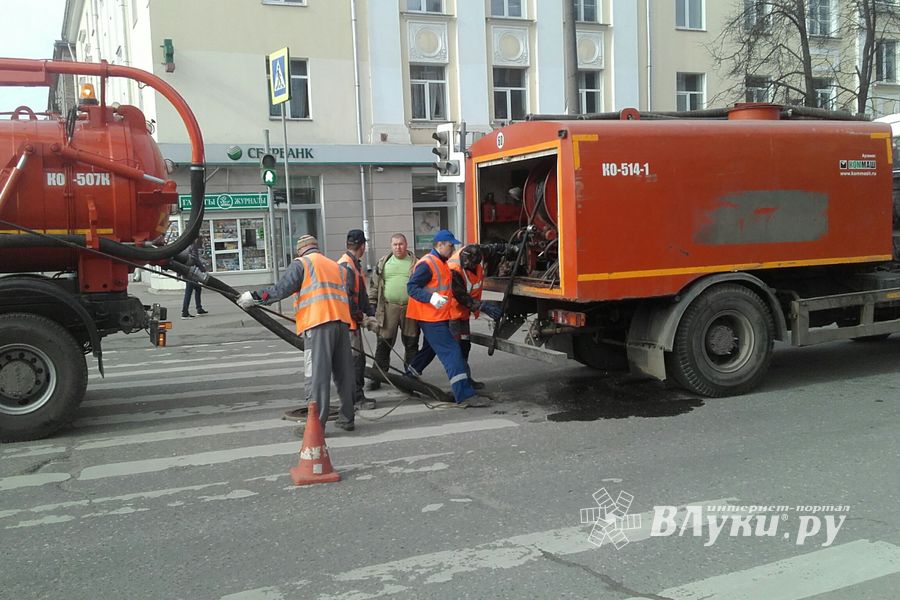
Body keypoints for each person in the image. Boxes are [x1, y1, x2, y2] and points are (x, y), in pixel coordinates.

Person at [236, 235, 356, 432]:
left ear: (300, 250)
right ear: (316, 248)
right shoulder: (337, 267)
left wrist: (254, 297)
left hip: (318, 325)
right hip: (342, 324)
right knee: (344, 374)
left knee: (317, 377)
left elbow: (280, 289)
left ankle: (315, 427)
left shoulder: (302, 264)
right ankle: (347, 418)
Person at [413, 244, 505, 389]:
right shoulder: (454, 269)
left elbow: (491, 249)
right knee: (453, 349)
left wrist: (506, 248)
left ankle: (466, 379)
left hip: (463, 313)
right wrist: (482, 306)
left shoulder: (477, 253)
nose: (467, 266)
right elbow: (461, 295)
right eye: (466, 263)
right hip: (451, 313)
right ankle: (461, 385)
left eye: (471, 265)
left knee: (464, 346)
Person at [405, 229, 478, 406]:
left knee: (430, 349)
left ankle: (407, 379)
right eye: (450, 246)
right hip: (430, 318)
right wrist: (431, 298)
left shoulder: (441, 262)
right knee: (452, 351)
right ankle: (465, 395)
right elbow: (411, 287)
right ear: (439, 245)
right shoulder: (428, 264)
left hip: (436, 316)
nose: (453, 249)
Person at [368, 233, 419, 391]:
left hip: (410, 308)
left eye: (401, 244)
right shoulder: (383, 263)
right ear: (391, 246)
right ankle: (377, 378)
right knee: (383, 344)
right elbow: (374, 286)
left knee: (411, 344)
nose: (398, 247)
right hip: (389, 308)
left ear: (406, 244)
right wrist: (371, 304)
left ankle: (410, 379)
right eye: (395, 244)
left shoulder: (416, 263)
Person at [337, 229, 377, 410]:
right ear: (362, 246)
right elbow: (347, 298)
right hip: (348, 322)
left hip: (351, 320)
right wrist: (362, 318)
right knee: (355, 361)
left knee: (356, 360)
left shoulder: (352, 264)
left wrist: (371, 314)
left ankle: (355, 397)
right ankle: (356, 399)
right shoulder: (347, 266)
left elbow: (360, 295)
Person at [181, 236, 209, 319]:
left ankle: (199, 308)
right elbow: (195, 259)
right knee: (188, 292)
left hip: (185, 270)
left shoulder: (184, 246)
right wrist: (203, 270)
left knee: (198, 288)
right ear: (195, 239)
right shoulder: (193, 246)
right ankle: (185, 312)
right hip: (190, 272)